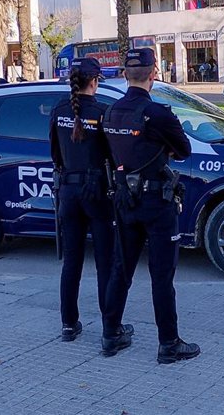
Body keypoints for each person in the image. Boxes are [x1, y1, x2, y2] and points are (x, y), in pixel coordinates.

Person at [100, 48, 200, 364]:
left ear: (126, 75)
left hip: (125, 200)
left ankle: (111, 334)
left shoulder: (111, 112)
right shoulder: (158, 114)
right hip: (157, 203)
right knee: (161, 275)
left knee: (121, 268)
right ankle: (168, 344)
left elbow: (112, 155)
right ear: (154, 74)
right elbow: (184, 150)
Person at [49, 57, 134, 343]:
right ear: (95, 81)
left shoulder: (59, 110)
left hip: (68, 192)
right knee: (105, 263)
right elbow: (114, 155)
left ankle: (68, 324)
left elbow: (55, 155)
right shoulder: (101, 112)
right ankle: (112, 326)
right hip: (96, 193)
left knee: (71, 261)